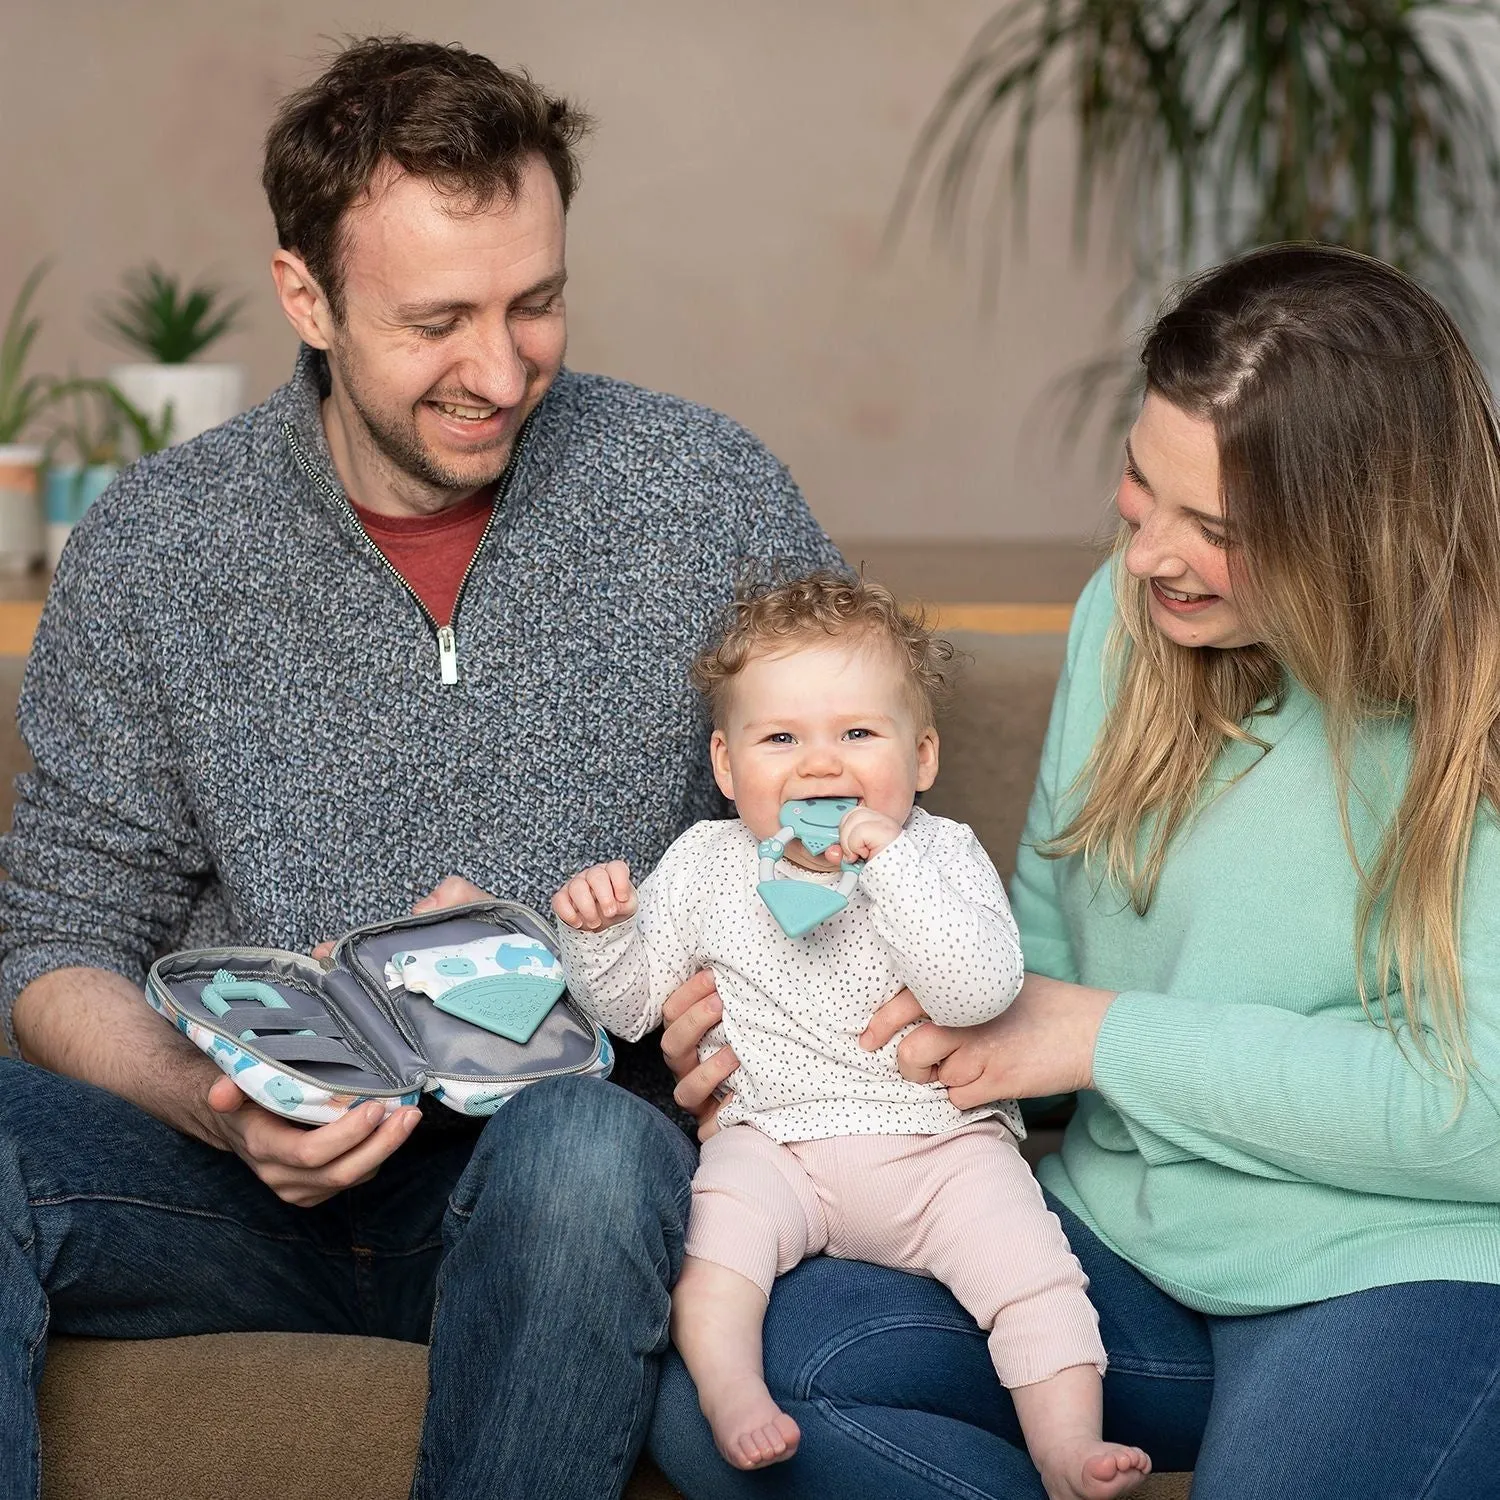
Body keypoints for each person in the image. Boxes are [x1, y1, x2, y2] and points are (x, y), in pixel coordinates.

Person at [0, 36, 839, 1500]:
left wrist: (750, 986)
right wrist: (220, 1101)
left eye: (538, 302)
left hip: (568, 1189)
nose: (501, 368)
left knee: (585, 1152)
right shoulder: (155, 544)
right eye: (438, 319)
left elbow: (855, 812)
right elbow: (57, 944)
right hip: (225, 1190)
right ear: (306, 297)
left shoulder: (706, 496)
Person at [648, 244, 1500, 1500]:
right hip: (1127, 1241)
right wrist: (817, 1031)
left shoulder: (1466, 728)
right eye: (1139, 487)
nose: (1151, 552)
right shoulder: (1131, 618)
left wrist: (1103, 1041)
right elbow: (1029, 969)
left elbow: (1474, 1113)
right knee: (730, 1386)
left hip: (1402, 1263)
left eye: (1216, 528)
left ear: (1359, 528)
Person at [552, 573, 1151, 1497]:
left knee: (1036, 1276)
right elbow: (629, 1007)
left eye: (858, 735)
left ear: (923, 757)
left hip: (939, 1147)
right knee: (711, 1258)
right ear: (725, 766)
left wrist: (891, 862)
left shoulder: (940, 855)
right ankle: (734, 1395)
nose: (821, 766)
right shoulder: (706, 863)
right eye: (781, 737)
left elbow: (977, 988)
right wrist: (597, 936)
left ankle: (1068, 1447)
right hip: (775, 1142)